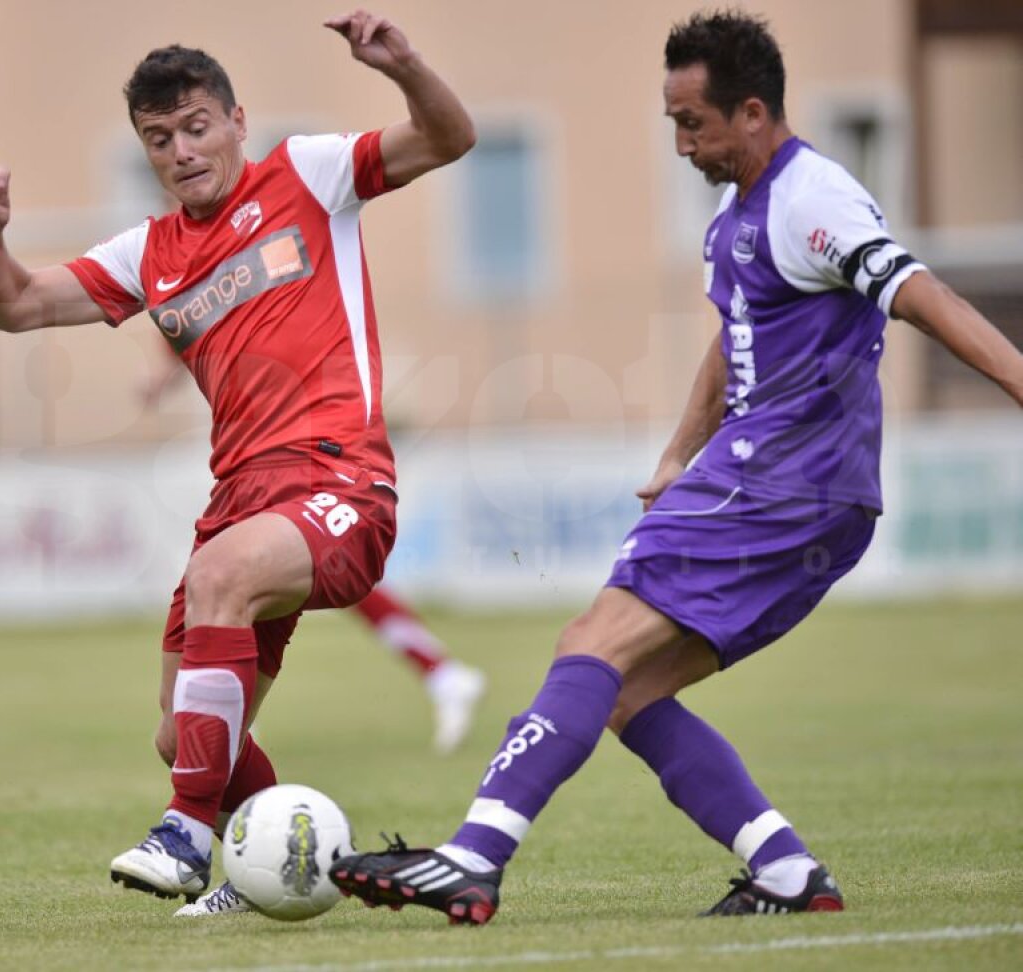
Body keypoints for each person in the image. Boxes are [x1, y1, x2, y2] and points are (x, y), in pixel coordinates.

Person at [329, 9, 1023, 925]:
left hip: (779, 480)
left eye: (691, 122)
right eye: (671, 123)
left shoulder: (814, 198)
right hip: (809, 497)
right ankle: (784, 872)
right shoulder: (740, 215)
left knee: (590, 647)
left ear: (751, 112)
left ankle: (472, 857)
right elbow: (731, 338)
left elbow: (917, 292)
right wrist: (675, 454)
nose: (681, 142)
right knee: (627, 693)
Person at [0, 8, 475, 914]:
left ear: (237, 119)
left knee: (218, 579)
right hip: (242, 498)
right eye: (159, 139)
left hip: (339, 479)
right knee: (181, 733)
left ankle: (187, 835)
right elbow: (18, 308)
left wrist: (405, 66)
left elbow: (448, 137)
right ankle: (280, 858)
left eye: (196, 127)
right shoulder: (147, 255)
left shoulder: (306, 174)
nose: (182, 151)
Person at [140, 347, 487, 757]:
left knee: (271, 572)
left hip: (300, 454)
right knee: (272, 575)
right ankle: (443, 674)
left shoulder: (305, 316)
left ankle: (442, 675)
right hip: (255, 453)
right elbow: (186, 313)